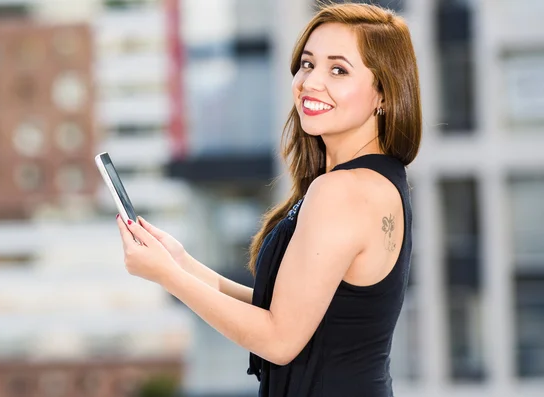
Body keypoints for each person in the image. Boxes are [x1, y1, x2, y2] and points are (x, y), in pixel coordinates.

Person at [115, 2, 421, 396]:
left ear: (383, 93)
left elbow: (279, 340)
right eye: (308, 64)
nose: (311, 82)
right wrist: (182, 264)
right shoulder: (378, 180)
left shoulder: (342, 191)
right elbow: (286, 312)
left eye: (339, 70)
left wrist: (168, 278)